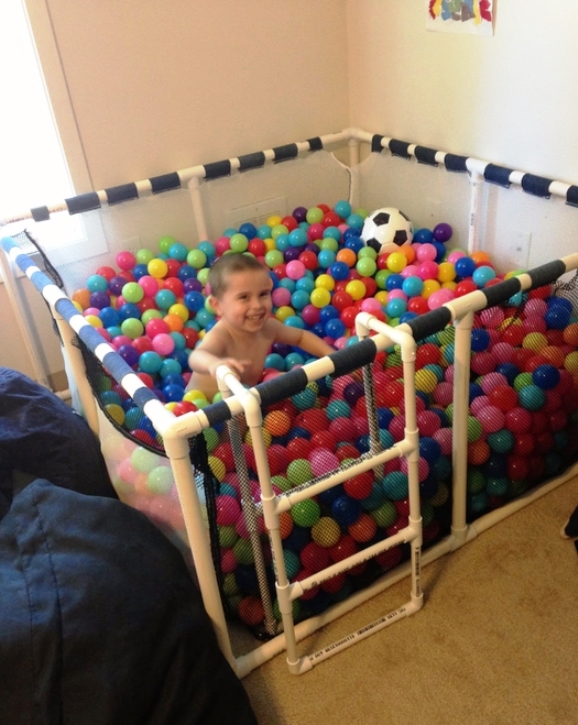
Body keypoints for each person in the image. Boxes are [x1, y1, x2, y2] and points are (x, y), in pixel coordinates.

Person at [186, 253, 335, 401]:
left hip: (245, 404)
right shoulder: (222, 335)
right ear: (217, 305)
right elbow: (196, 357)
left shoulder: (268, 328)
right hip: (203, 408)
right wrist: (214, 364)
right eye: (244, 297)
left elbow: (301, 337)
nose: (257, 305)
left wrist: (332, 356)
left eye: (263, 294)